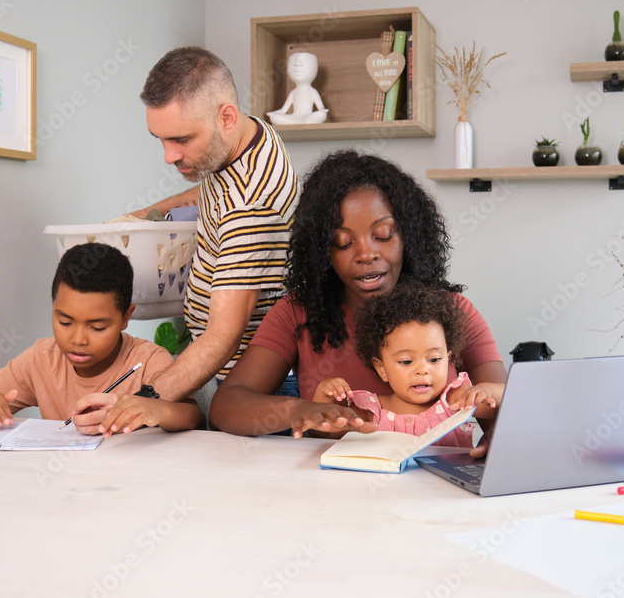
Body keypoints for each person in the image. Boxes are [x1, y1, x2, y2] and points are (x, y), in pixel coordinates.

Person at [209, 149, 506, 453]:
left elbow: (509, 405)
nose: (366, 254)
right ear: (322, 250)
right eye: (343, 243)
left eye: (383, 235)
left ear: (409, 236)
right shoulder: (297, 313)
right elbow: (225, 406)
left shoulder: (452, 311)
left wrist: (498, 438)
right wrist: (297, 410)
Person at [131, 46, 299, 415]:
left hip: (250, 377)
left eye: (181, 140)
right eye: (160, 138)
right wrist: (151, 212)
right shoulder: (247, 136)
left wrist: (144, 403)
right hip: (223, 361)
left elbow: (224, 336)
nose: (168, 156)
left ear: (226, 117)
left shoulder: (251, 208)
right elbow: (218, 185)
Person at [0, 243, 203, 436]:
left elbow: (194, 418)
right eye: (65, 323)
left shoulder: (147, 360)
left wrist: (158, 410)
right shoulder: (41, 359)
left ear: (126, 317)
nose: (78, 340)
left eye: (97, 327)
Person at [314, 284, 504, 447]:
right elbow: (321, 435)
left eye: (434, 359)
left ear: (448, 359)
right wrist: (324, 396)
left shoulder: (454, 401)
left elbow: (512, 401)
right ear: (381, 369)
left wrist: (486, 390)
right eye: (406, 361)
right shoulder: (371, 411)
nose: (422, 370)